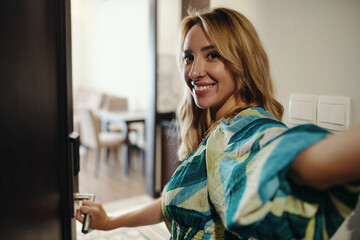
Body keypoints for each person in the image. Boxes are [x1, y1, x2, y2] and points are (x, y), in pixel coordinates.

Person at [76, 7, 360, 239]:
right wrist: (109, 221)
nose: (195, 71)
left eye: (212, 55)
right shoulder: (215, 130)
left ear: (242, 61)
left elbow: (295, 162)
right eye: (189, 57)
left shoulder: (244, 129)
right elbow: (172, 203)